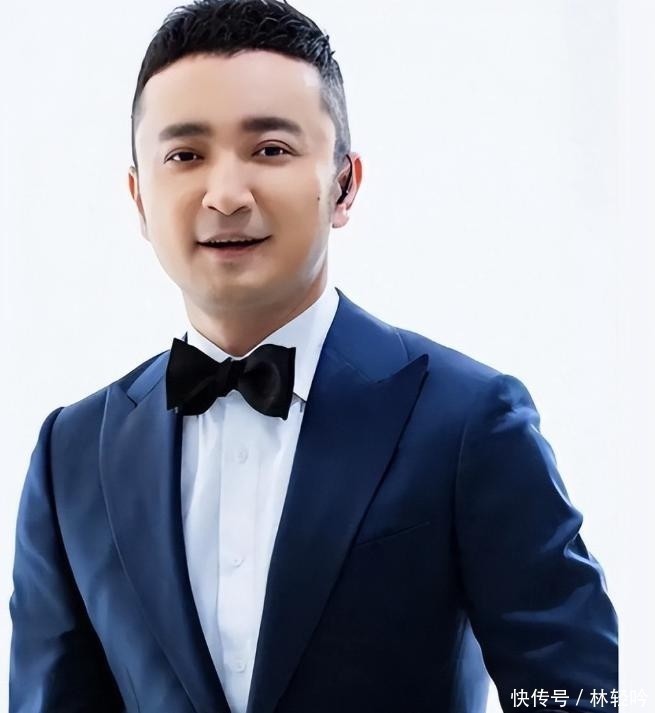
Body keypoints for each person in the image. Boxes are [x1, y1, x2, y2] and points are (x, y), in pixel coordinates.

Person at [8, 1, 618, 711]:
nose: (226, 195)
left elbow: (571, 692)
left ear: (344, 185)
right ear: (140, 198)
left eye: (270, 149)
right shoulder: (72, 453)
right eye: (185, 155)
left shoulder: (468, 419)